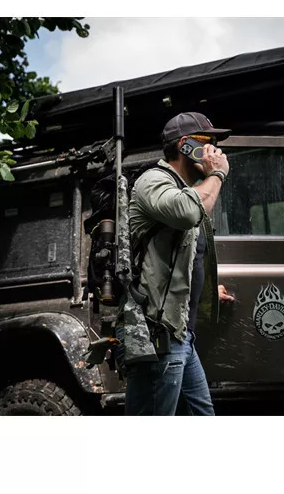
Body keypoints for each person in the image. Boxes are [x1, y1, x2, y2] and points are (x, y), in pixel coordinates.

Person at [119, 112, 234, 416]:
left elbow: (187, 258)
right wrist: (217, 174)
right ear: (186, 146)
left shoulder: (186, 190)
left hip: (181, 335)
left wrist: (207, 292)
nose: (215, 150)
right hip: (158, 335)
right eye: (208, 142)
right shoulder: (153, 181)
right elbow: (187, 213)